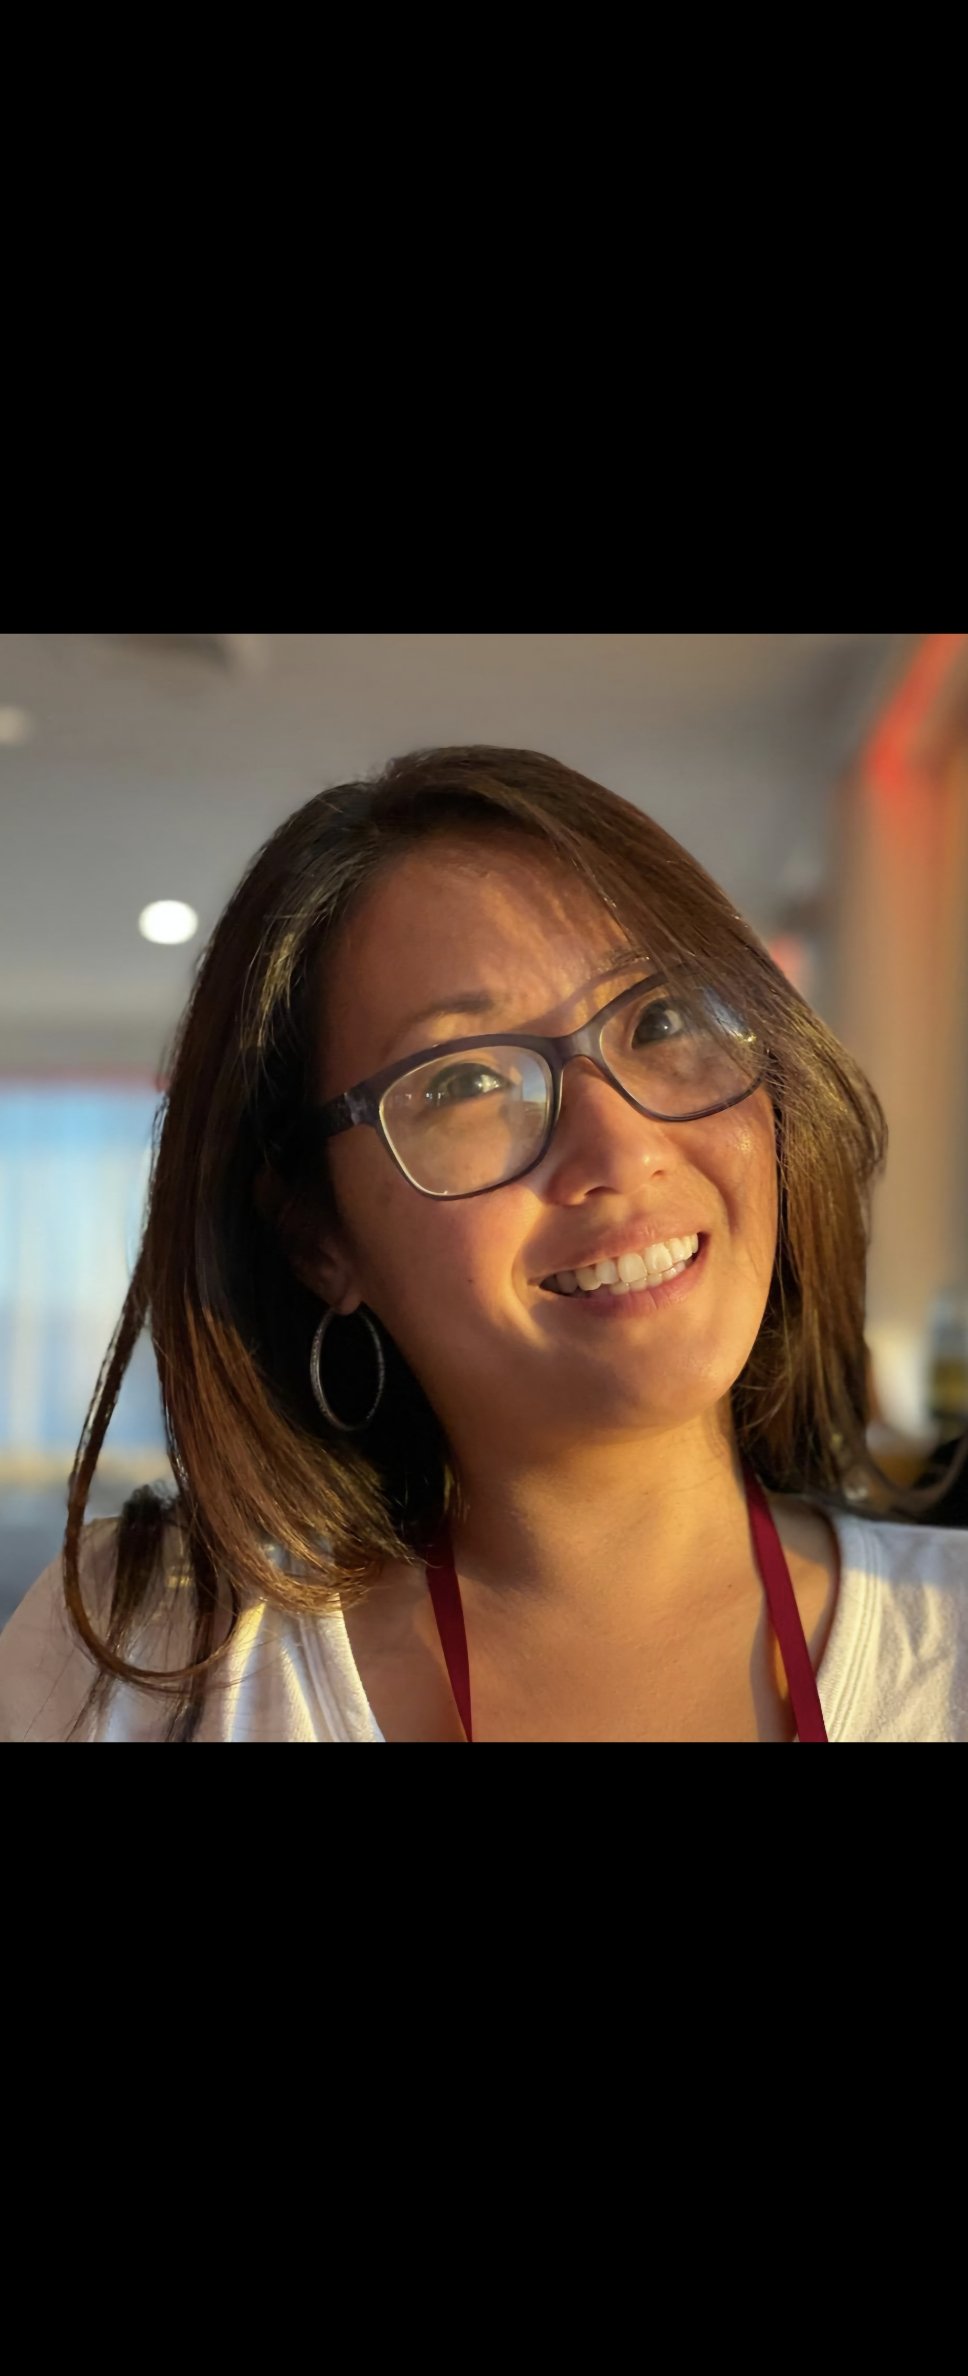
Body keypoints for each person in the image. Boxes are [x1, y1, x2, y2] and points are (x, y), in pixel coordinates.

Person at [2, 743, 967, 1743]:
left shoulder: (946, 1644)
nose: (620, 1149)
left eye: (662, 1019)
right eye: (463, 1082)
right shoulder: (146, 1659)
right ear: (318, 1238)